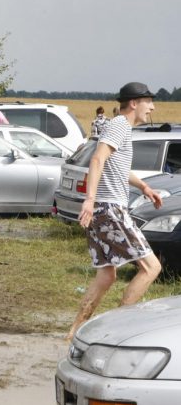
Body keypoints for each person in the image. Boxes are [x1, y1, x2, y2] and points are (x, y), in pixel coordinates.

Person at [67, 82, 163, 341]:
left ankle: (74, 332)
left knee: (107, 275)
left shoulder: (121, 128)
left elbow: (115, 166)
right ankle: (118, 333)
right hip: (109, 208)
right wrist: (89, 199)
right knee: (151, 267)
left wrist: (143, 185)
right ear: (134, 103)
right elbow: (97, 159)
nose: (152, 107)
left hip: (102, 208)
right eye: (149, 102)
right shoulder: (120, 125)